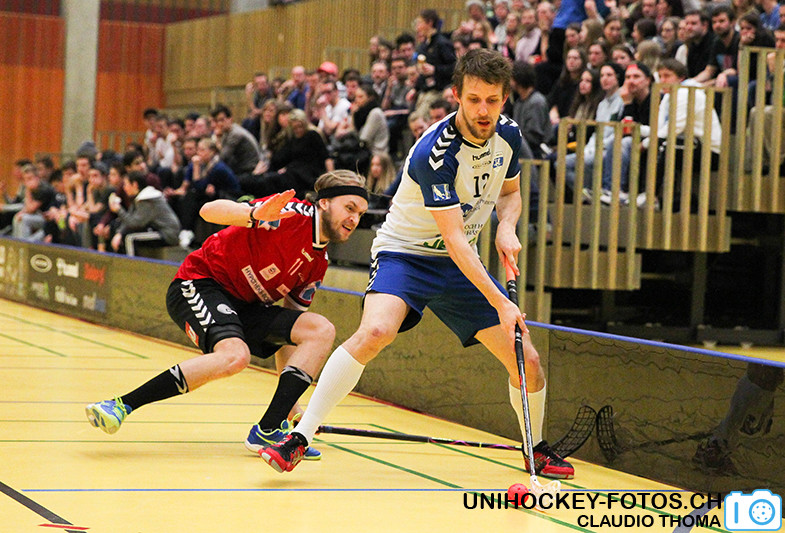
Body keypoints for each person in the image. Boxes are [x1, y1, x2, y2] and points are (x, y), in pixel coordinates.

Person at [258, 49, 575, 480]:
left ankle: (534, 449)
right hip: (406, 255)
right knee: (375, 332)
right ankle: (300, 436)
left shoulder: (509, 135)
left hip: (459, 263)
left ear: (505, 99)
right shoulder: (435, 153)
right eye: (474, 100)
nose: (483, 111)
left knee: (529, 361)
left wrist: (506, 227)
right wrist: (501, 302)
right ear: (456, 95)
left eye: (492, 101)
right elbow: (455, 239)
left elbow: (510, 193)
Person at [86, 172, 369, 462]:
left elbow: (289, 340)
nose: (354, 219)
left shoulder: (317, 264)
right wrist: (253, 215)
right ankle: (121, 404)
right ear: (324, 203)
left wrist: (291, 408)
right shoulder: (288, 212)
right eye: (349, 208)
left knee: (319, 330)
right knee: (235, 356)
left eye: (360, 213)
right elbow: (208, 210)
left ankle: (270, 427)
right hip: (200, 283)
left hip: (246, 306)